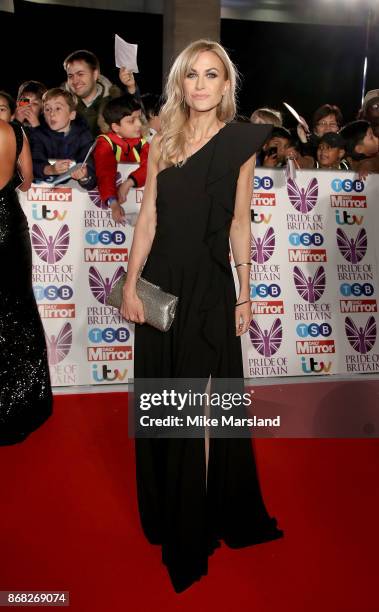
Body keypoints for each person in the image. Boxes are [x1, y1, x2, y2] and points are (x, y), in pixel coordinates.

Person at [121, 39, 283, 593]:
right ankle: (171, 509)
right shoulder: (161, 139)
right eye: (192, 75)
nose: (200, 85)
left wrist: (245, 290)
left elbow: (241, 221)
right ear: (180, 83)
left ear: (225, 84)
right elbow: (147, 219)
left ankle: (200, 518)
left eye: (211, 75)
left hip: (212, 286)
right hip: (162, 281)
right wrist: (129, 282)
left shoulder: (241, 142)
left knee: (203, 405)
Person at [0, 119, 53, 445]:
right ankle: (24, 402)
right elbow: (27, 181)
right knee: (18, 309)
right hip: (10, 224)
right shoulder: (12, 131)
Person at [93, 94, 149, 222]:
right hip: (110, 212)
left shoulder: (143, 144)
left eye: (139, 118)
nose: (139, 124)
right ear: (115, 127)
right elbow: (105, 173)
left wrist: (128, 183)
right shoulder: (105, 143)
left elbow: (151, 166)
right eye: (131, 120)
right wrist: (113, 203)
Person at [30, 88, 96, 189]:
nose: (51, 114)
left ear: (72, 115)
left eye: (58, 108)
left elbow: (91, 171)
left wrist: (84, 176)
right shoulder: (37, 135)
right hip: (41, 196)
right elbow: (33, 162)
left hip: (76, 197)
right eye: (47, 109)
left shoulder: (84, 137)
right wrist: (50, 169)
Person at [63, 50, 137, 137]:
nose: (75, 81)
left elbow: (139, 125)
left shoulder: (115, 100)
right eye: (70, 76)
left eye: (80, 74)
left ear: (95, 74)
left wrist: (131, 87)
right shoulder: (58, 104)